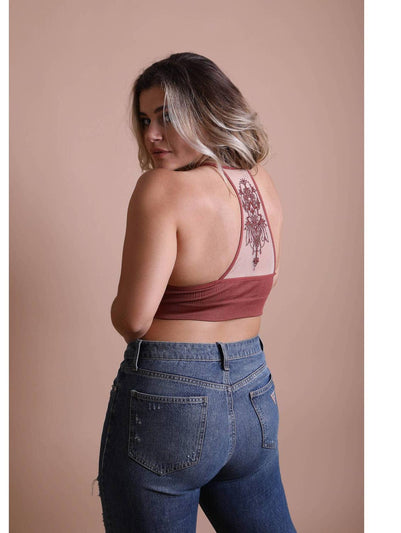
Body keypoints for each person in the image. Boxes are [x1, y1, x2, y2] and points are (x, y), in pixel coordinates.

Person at [93, 52, 297, 532]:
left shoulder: (161, 189)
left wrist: (119, 307)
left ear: (206, 112)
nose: (151, 135)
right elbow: (260, 283)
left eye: (167, 116)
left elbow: (134, 320)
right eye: (145, 120)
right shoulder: (261, 183)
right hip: (253, 391)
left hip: (170, 394)